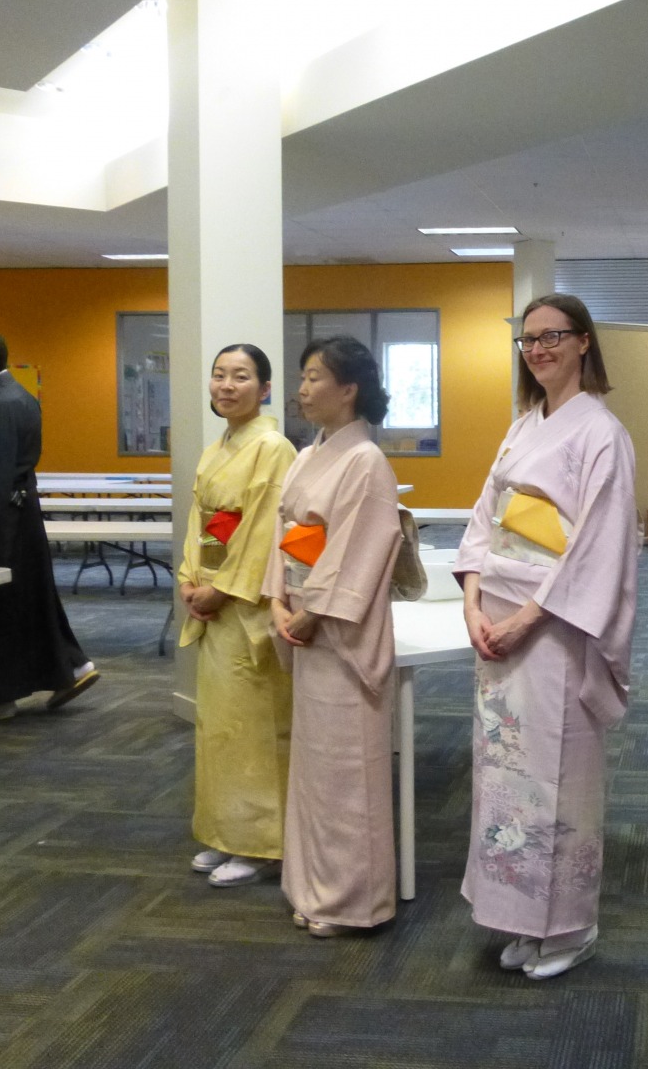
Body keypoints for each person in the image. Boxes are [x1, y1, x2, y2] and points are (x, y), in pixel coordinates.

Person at [455, 293, 638, 979]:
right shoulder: (520, 427)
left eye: (552, 336)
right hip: (497, 624)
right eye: (528, 339)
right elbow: (484, 520)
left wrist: (528, 617)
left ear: (584, 341)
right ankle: (519, 917)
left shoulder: (603, 434)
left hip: (555, 625)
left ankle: (568, 926)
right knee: (506, 770)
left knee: (556, 770)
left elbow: (599, 546)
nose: (538, 350)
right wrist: (473, 602)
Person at [263, 336, 403, 935]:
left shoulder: (365, 461)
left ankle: (354, 900)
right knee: (315, 769)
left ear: (349, 389)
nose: (302, 388)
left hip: (337, 630)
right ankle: (312, 886)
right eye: (302, 376)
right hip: (303, 617)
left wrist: (313, 611)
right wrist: (278, 598)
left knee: (349, 769)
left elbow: (359, 549)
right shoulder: (306, 455)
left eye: (315, 377)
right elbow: (283, 535)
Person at [178, 344, 297, 887]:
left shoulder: (273, 448)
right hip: (213, 596)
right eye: (220, 375)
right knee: (221, 726)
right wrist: (190, 576)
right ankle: (225, 831)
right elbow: (203, 523)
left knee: (255, 726)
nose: (227, 385)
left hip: (246, 605)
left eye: (241, 376)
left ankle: (262, 841)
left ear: (264, 389)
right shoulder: (217, 448)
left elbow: (265, 530)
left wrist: (222, 589)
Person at [0, 326, 97, 720]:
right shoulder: (14, 395)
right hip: (18, 513)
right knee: (29, 600)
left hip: (5, 520)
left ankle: (0, 697)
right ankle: (72, 666)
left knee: (0, 607)